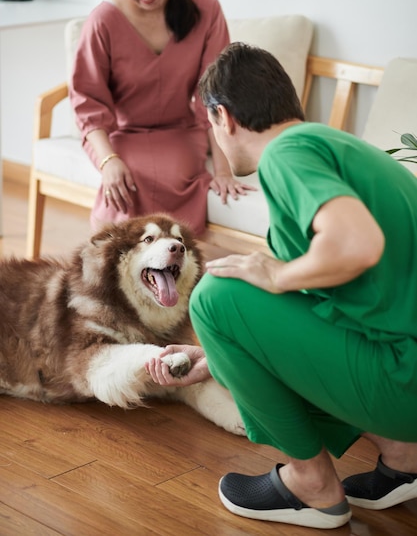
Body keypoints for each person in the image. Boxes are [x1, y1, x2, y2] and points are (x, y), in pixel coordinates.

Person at [146, 42, 417, 529]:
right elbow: (338, 295)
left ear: (223, 117)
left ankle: (310, 484)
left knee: (213, 297)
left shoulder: (288, 154)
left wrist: (275, 273)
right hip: (404, 371)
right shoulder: (335, 145)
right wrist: (217, 359)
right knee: (236, 313)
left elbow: (357, 244)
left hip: (403, 382)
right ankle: (403, 455)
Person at [69, 0, 252, 234]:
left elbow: (216, 95)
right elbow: (87, 103)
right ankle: (119, 276)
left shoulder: (206, 9)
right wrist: (108, 161)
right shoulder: (103, 21)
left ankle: (173, 270)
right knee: (124, 183)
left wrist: (224, 170)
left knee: (174, 176)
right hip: (119, 137)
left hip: (181, 131)